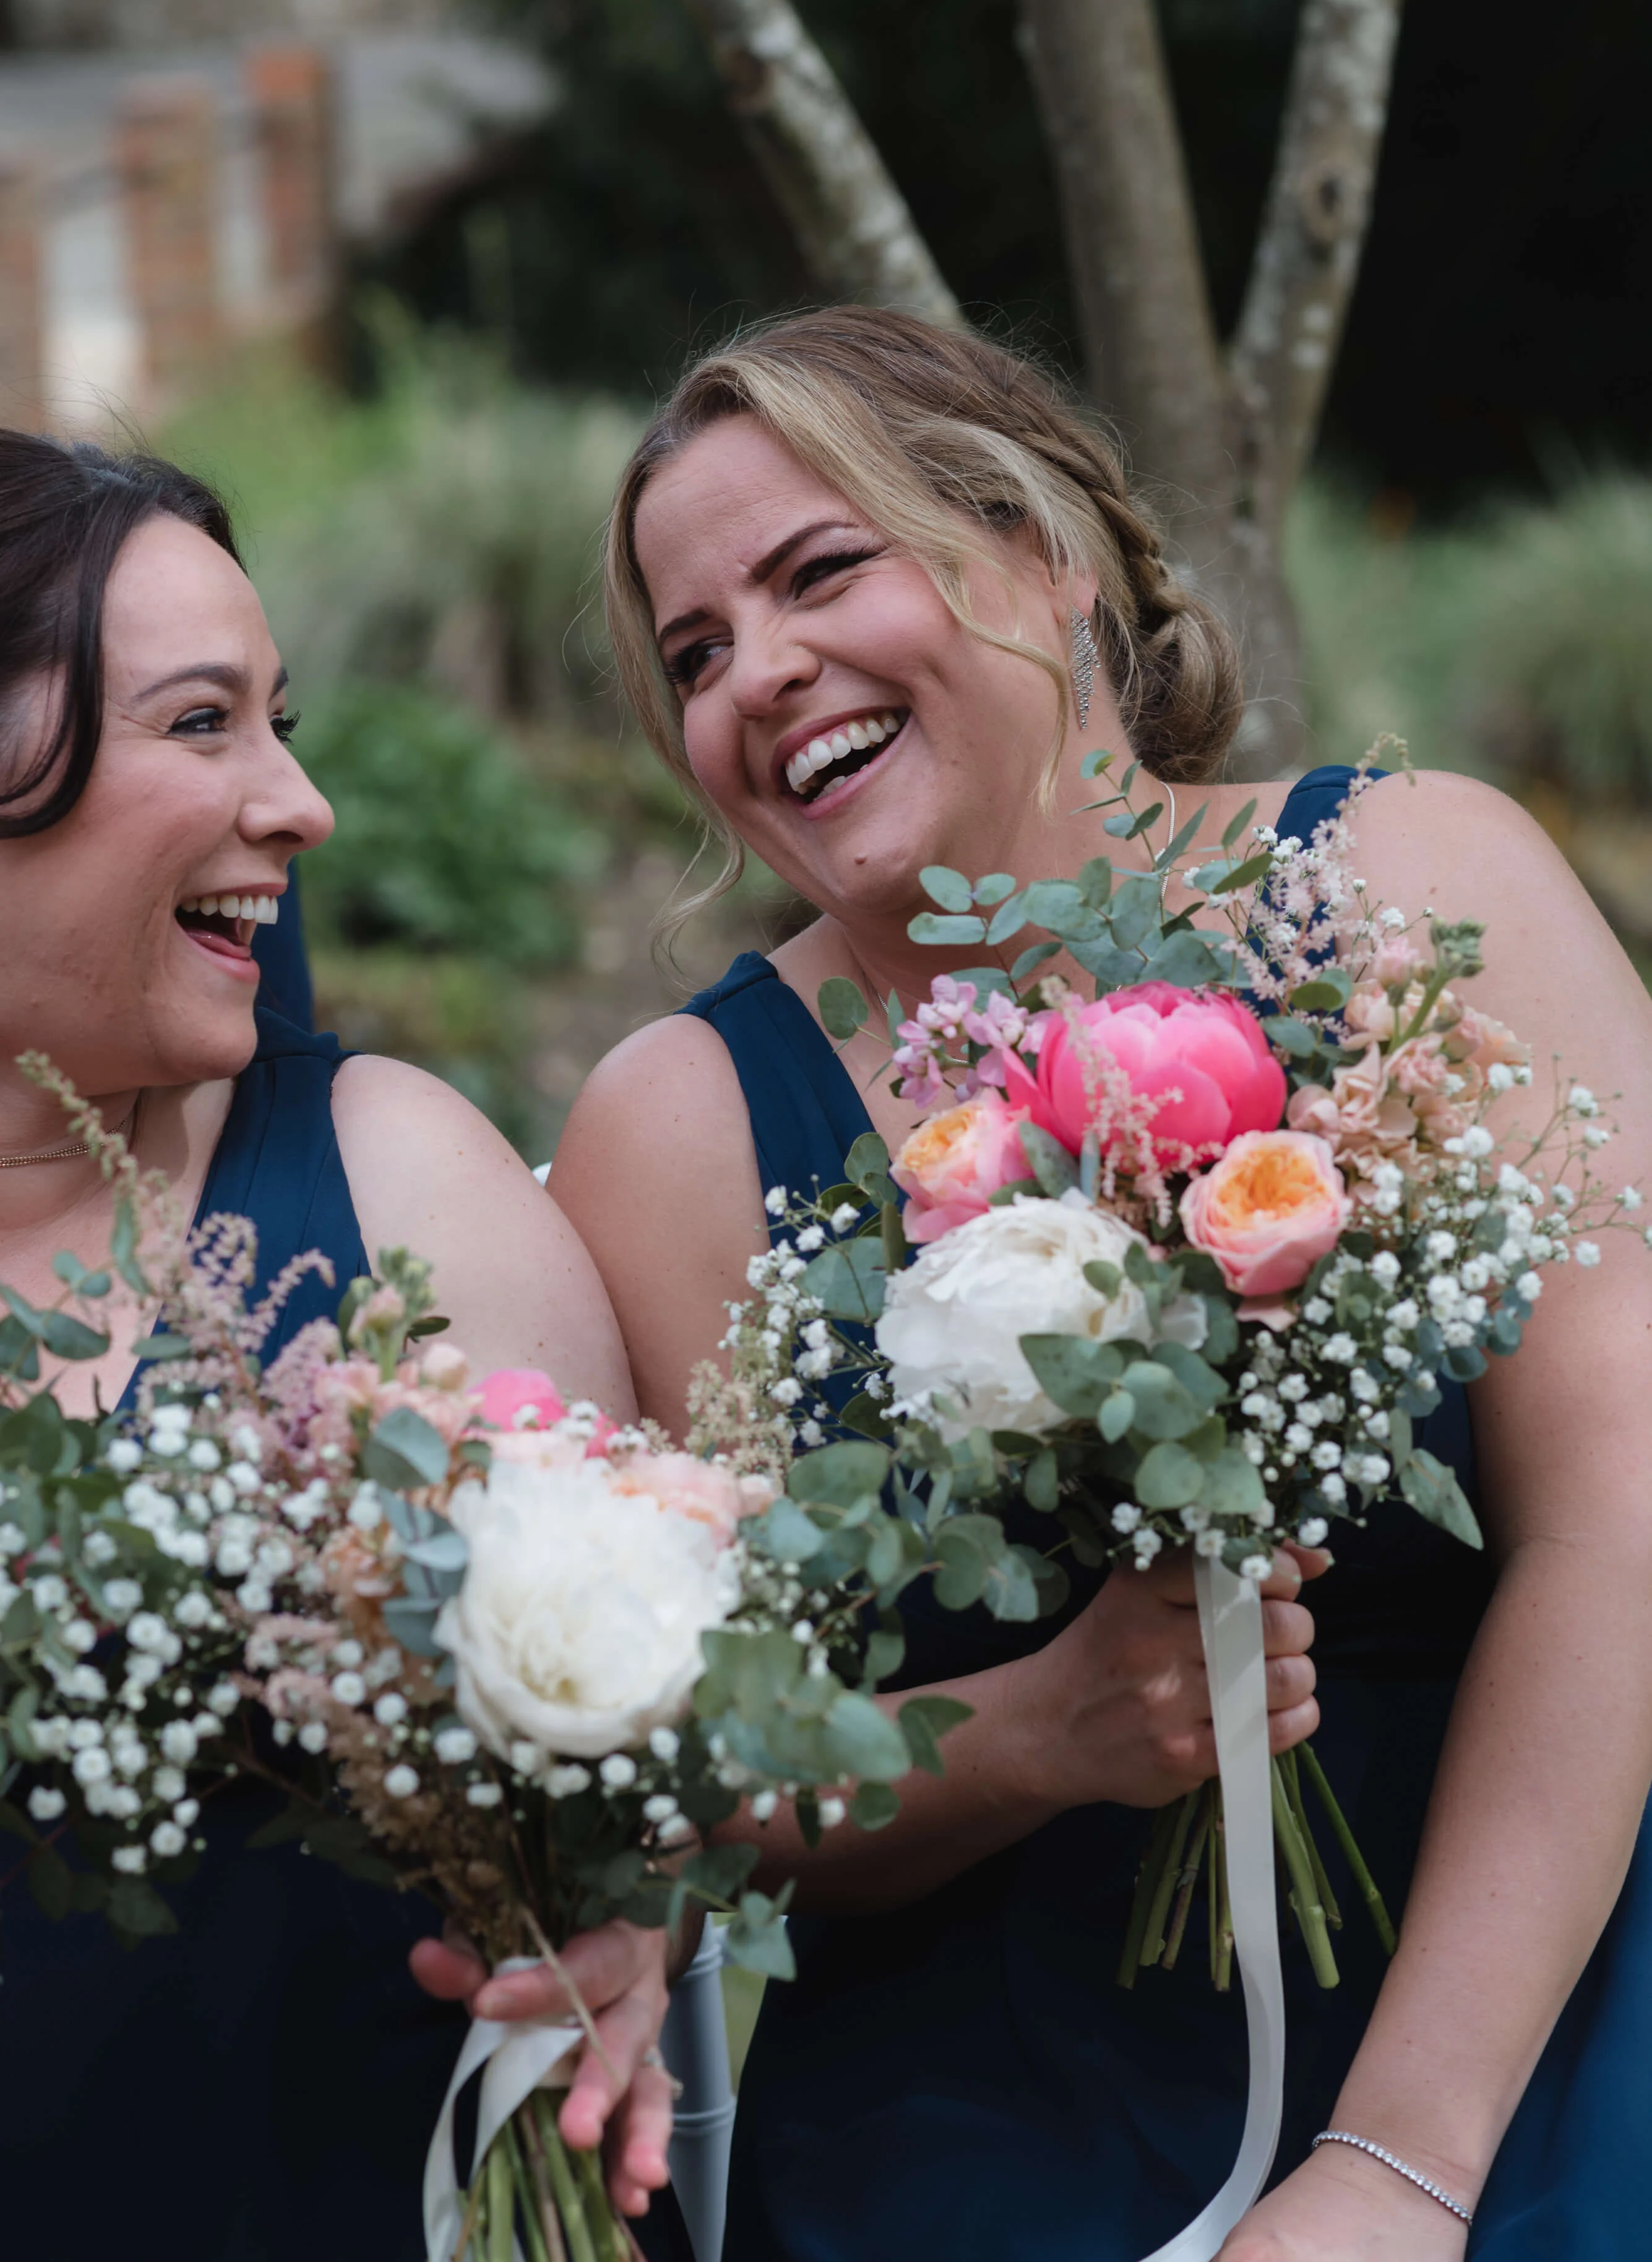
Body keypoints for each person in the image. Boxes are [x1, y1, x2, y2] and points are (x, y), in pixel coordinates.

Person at [553, 307, 1652, 2261]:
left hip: (1535, 1957)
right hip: (992, 2082)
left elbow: (1621, 1517)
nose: (758, 676)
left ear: (1048, 548)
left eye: (821, 571)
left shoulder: (1411, 885)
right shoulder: (682, 1127)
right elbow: (700, 1789)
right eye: (695, 651)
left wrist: (1397, 2165)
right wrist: (1037, 1728)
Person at [0, 432, 690, 2262]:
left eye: (277, 719)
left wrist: (639, 1928)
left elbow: (640, 1775)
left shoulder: (394, 1186)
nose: (300, 804)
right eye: (204, 722)